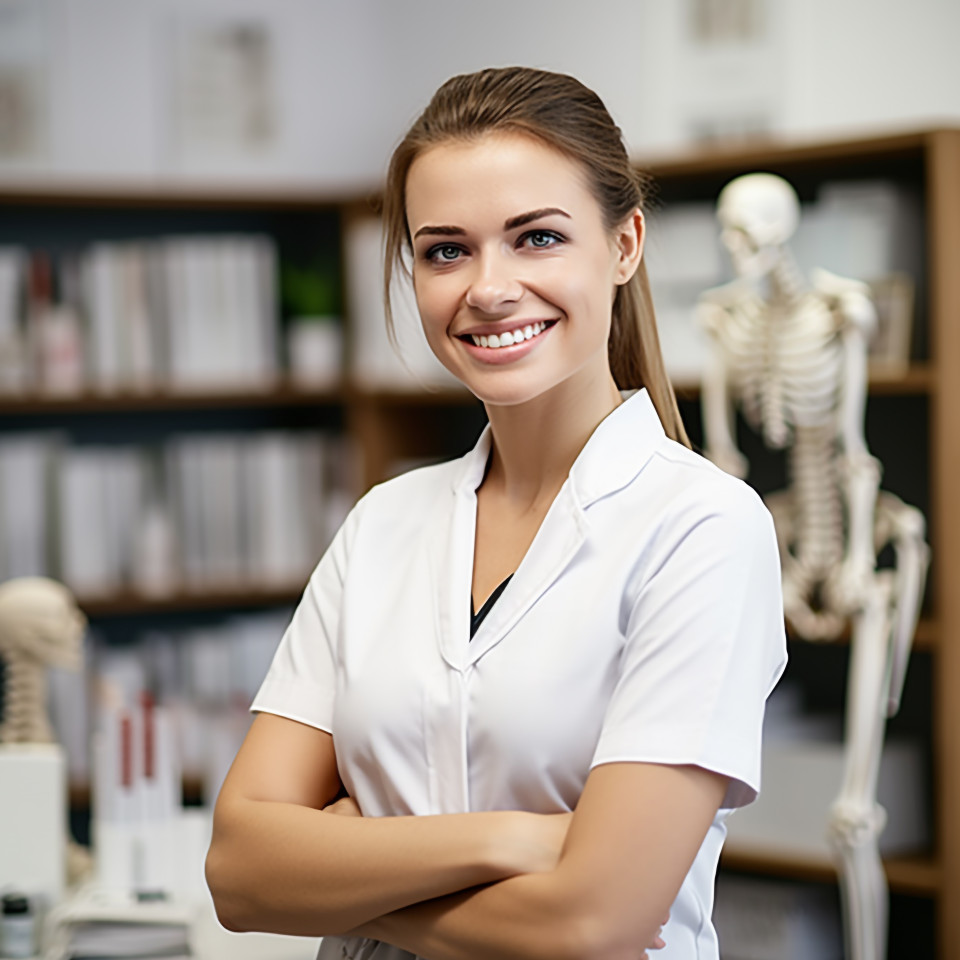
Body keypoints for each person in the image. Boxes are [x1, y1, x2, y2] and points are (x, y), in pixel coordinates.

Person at [205, 66, 788, 960]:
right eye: (446, 250)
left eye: (537, 238)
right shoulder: (384, 523)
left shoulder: (702, 527)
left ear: (625, 244)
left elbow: (594, 923)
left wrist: (345, 874)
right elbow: (240, 872)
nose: (489, 288)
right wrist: (514, 838)